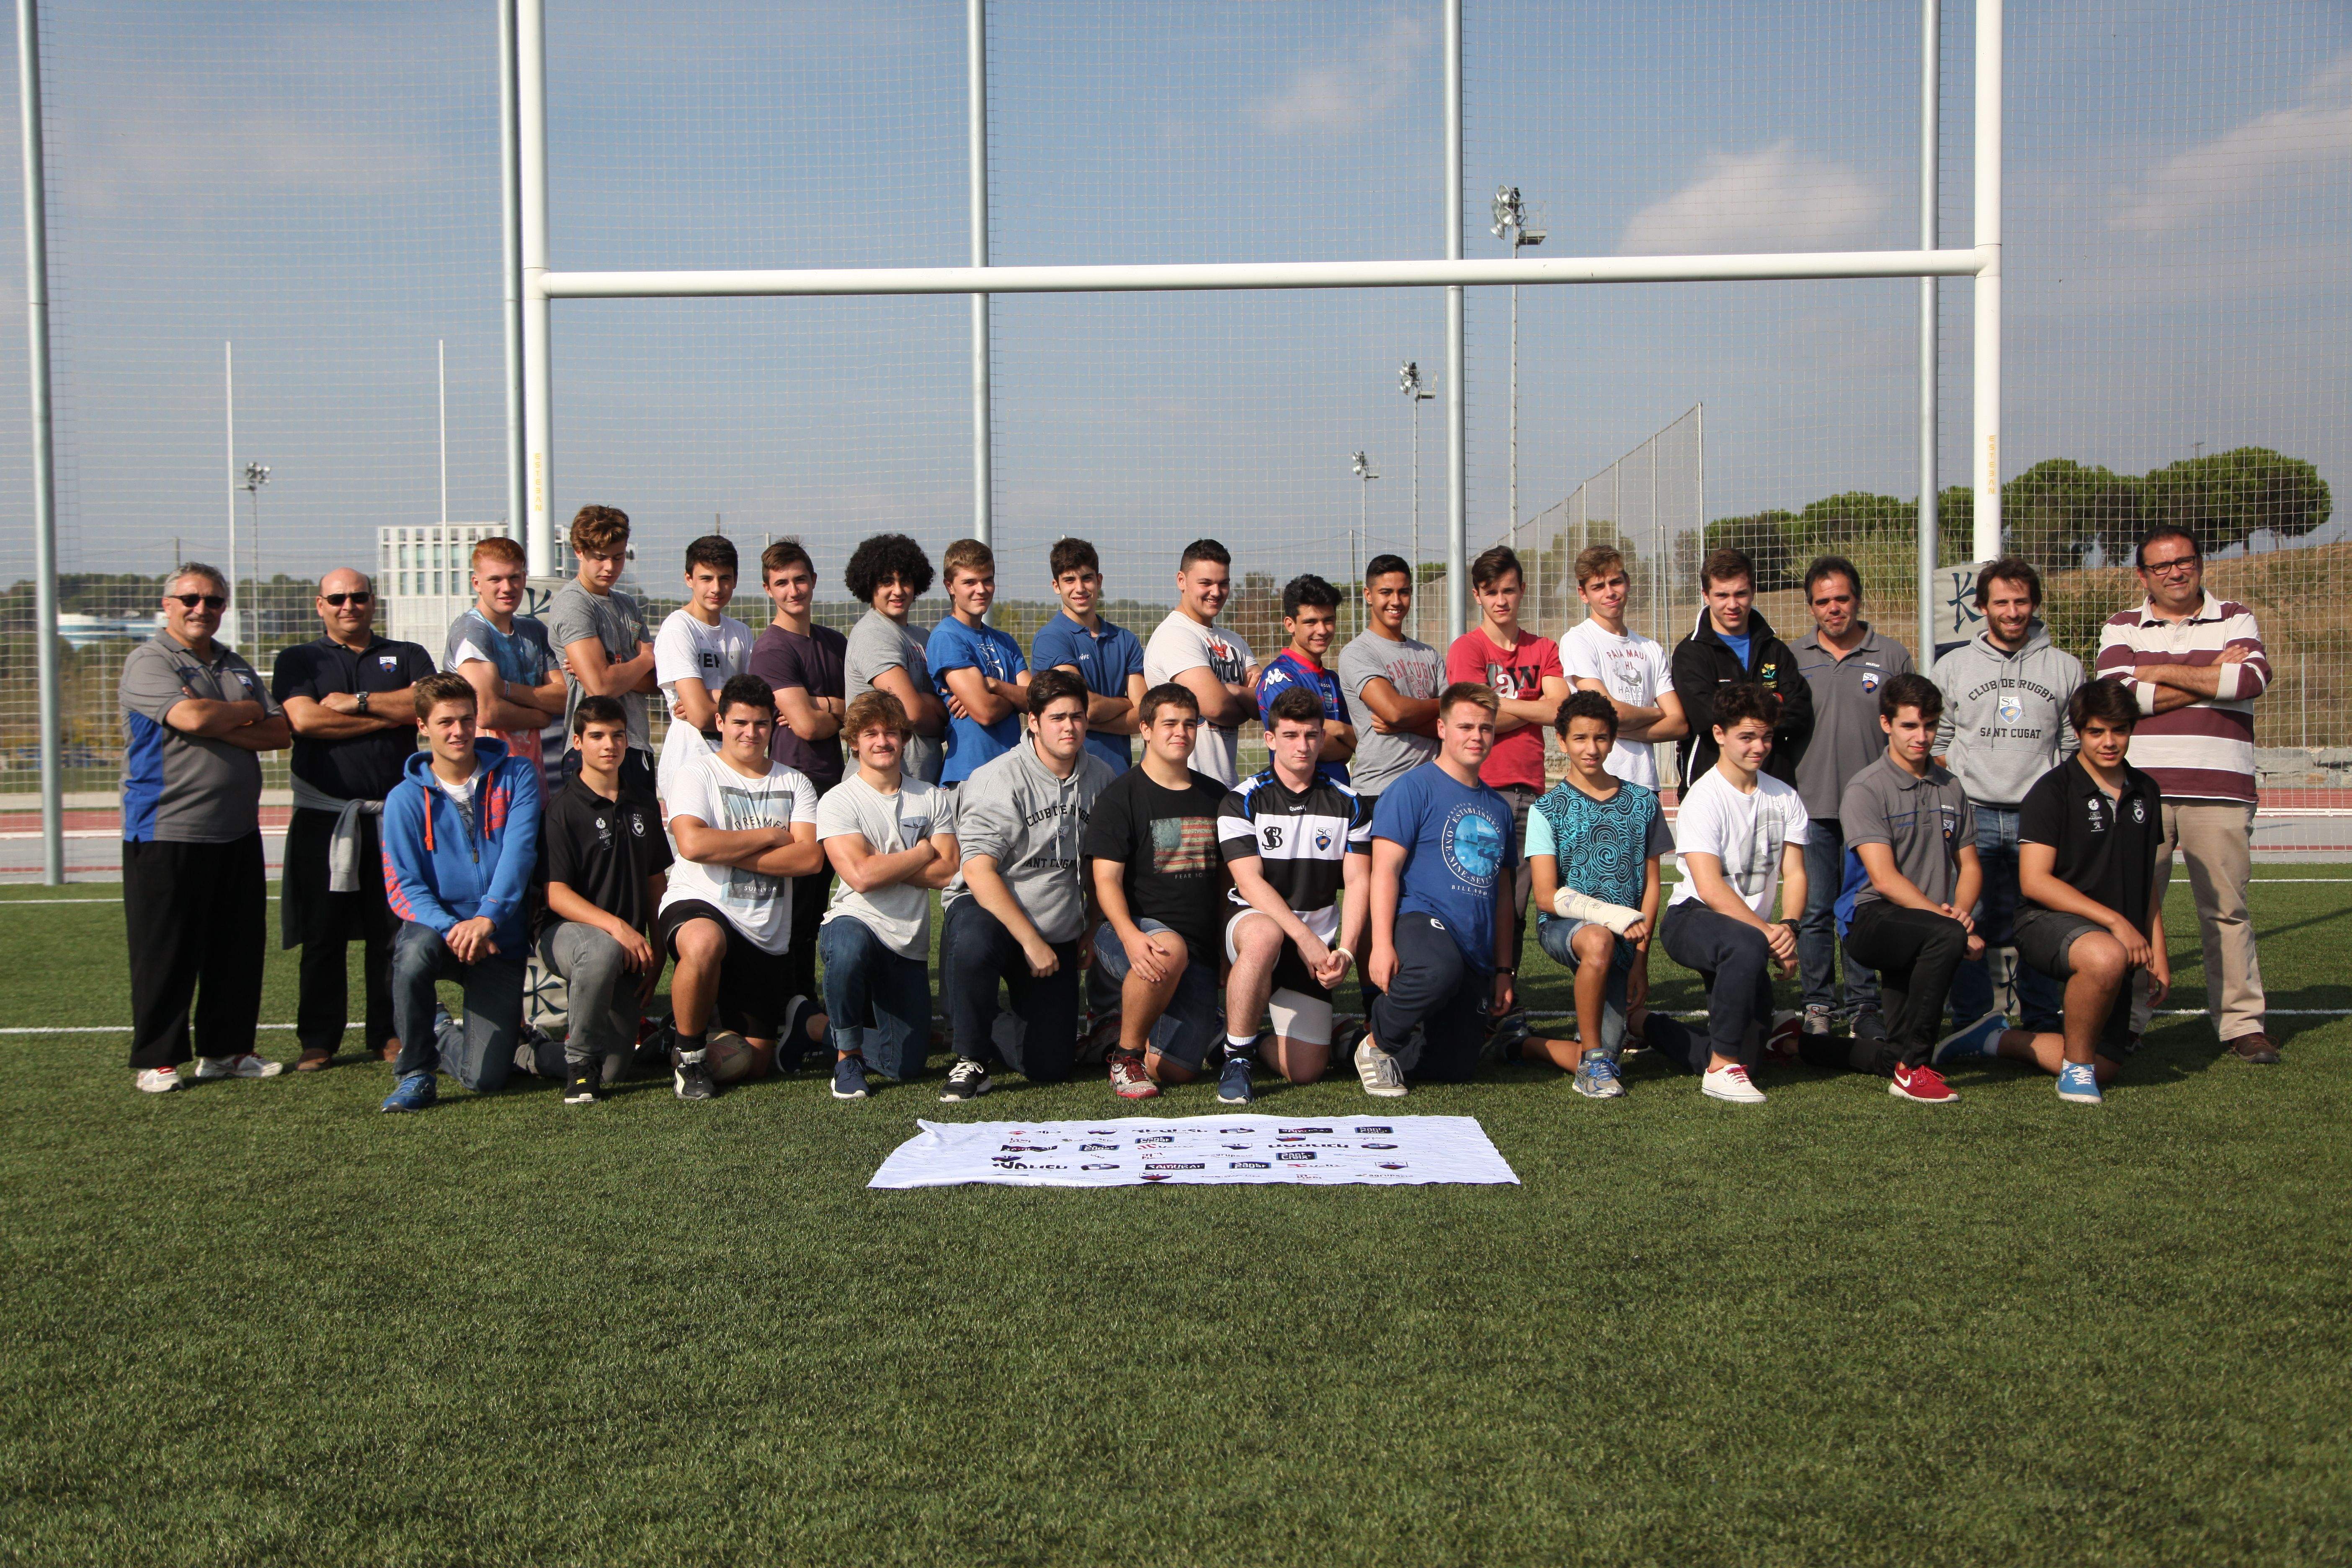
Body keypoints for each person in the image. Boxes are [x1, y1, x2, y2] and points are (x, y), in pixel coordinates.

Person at [1935, 678, 2169, 1105]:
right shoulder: (2052, 790)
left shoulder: (2146, 791)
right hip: (2044, 923)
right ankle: (2075, 1072)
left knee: (2108, 1065)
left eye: (2119, 730)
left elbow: (2145, 881)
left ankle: (1994, 1039)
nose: (2109, 742)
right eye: (2096, 731)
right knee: (2105, 956)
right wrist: (2117, 922)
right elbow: (2035, 882)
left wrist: (2159, 953)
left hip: (2113, 936)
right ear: (2078, 732)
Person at [2096, 525, 2277, 1064]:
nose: (2175, 573)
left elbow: (2249, 682)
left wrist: (2155, 673)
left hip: (2219, 788)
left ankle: (2242, 1025)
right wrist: (2209, 672)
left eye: (2185, 561)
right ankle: (2126, 1023)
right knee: (2129, 910)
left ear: (2199, 563)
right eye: (2162, 566)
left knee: (2226, 911)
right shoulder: (2121, 625)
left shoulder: (2236, 617)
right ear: (2142, 576)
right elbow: (2118, 696)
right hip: (2138, 792)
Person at [120, 564, 291, 1092]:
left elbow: (279, 732)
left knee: (236, 950)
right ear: (167, 604)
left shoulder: (234, 663)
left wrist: (222, 718)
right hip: (166, 830)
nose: (202, 609)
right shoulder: (149, 661)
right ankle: (159, 1059)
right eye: (191, 599)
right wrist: (243, 713)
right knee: (166, 952)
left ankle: (226, 1051)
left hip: (236, 830)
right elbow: (192, 719)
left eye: (214, 601)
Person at [273, 567, 434, 1071]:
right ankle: (319, 1039)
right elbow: (304, 720)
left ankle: (389, 1032)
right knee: (323, 933)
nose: (349, 605)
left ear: (372, 602)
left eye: (359, 596)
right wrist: (387, 716)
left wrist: (356, 704)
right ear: (320, 605)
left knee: (393, 931)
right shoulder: (299, 659)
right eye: (338, 598)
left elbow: (425, 704)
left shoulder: (407, 654)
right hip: (325, 818)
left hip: (395, 818)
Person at [936, 670, 1115, 1099]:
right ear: (1032, 721)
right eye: (1057, 718)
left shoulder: (1102, 777)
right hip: (992, 915)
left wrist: (1091, 927)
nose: (1069, 727)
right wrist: (1030, 941)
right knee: (974, 938)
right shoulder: (998, 778)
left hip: (1055, 930)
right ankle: (970, 1057)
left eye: (1077, 716)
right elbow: (978, 870)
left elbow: (1100, 866)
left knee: (1050, 1066)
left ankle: (978, 1019)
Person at [1816, 673, 1986, 1104]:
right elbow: (1884, 880)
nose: (1922, 737)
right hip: (1870, 919)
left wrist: (1961, 912)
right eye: (1910, 726)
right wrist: (1950, 925)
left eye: (1929, 726)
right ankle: (1914, 1071)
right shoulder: (1866, 788)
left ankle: (1802, 1047)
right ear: (1886, 724)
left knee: (1892, 1049)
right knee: (1944, 937)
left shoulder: (1952, 786)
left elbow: (1969, 866)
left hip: (1927, 921)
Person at [379, 673, 543, 1112]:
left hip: (498, 936)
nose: (459, 731)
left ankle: (437, 1032)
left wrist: (488, 919)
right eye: (446, 722)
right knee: (413, 955)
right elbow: (403, 886)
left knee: (485, 1079)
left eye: (467, 720)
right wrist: (455, 929)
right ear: (422, 726)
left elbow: (519, 856)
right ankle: (415, 1072)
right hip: (440, 931)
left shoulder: (517, 774)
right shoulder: (404, 799)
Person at [658, 675, 826, 1101]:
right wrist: (770, 836)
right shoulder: (696, 773)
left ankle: (672, 1038)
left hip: (763, 933)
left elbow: (809, 859)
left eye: (761, 724)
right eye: (740, 723)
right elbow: (693, 845)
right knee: (704, 942)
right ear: (720, 722)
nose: (751, 733)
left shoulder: (796, 783)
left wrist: (725, 849)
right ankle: (690, 1056)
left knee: (751, 1063)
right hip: (701, 904)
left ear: (773, 725)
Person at [1931, 556, 2080, 1037]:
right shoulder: (1952, 667)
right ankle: (1974, 1021)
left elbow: (2072, 744)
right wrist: (1961, 789)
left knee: (2039, 920)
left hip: (2038, 819)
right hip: (1972, 814)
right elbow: (1937, 742)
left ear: (2034, 605)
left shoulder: (2065, 668)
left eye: (2021, 601)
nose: (2012, 612)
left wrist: (2052, 799)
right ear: (1982, 607)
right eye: (2001, 602)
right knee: (1966, 917)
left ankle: (2041, 1018)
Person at [1356, 684, 1518, 1096]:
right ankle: (1375, 1043)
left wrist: (1503, 971)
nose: (1477, 737)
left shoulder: (1499, 808)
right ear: (1442, 729)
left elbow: (1503, 896)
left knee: (1453, 1067)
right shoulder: (1412, 788)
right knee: (1436, 968)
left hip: (1473, 944)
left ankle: (1353, 1047)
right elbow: (1385, 870)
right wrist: (1381, 945)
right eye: (1466, 727)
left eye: (1485, 728)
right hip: (1421, 920)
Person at [1520, 692, 1682, 1099]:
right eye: (1580, 738)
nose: (1591, 749)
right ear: (1562, 741)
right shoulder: (1546, 809)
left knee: (1614, 1056)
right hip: (1566, 928)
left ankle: (1524, 1044)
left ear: (1613, 740)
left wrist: (1641, 961)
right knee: (1597, 939)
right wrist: (1609, 917)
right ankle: (1590, 1063)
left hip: (1625, 942)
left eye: (1601, 738)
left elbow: (1650, 888)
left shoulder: (1643, 803)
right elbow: (1546, 897)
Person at [1657, 683, 1809, 1105]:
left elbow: (1795, 873)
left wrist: (1789, 928)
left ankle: (1649, 1026)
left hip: (1750, 932)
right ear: (1719, 734)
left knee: (1754, 1057)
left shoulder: (1786, 797)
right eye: (1747, 736)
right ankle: (1721, 1068)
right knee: (1745, 943)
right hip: (1692, 918)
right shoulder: (1704, 798)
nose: (1759, 747)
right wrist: (1768, 933)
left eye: (1766, 736)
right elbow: (1709, 886)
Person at [1218, 685, 1372, 1101]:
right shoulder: (1242, 801)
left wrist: (1347, 952)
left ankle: (1230, 1039)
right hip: (1255, 929)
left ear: (1322, 738)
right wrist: (1304, 940)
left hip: (1315, 946)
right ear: (1271, 739)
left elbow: (1359, 882)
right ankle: (1237, 1058)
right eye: (1290, 735)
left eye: (1310, 735)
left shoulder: (1350, 804)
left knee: (1305, 1070)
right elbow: (1249, 883)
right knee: (1265, 934)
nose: (1301, 746)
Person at [1084, 683, 1229, 1100]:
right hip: (1131, 932)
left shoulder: (1216, 796)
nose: (1181, 732)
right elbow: (1105, 880)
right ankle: (1125, 1056)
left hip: (1199, 947)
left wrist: (1224, 948)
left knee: (1176, 1071)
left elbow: (1226, 880)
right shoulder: (1121, 797)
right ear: (1145, 729)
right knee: (1168, 950)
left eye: (1189, 724)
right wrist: (1129, 935)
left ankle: (1176, 1024)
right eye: (1169, 724)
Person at [1790, 555, 1913, 1040]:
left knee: (1864, 911)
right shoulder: (1793, 657)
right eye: (1823, 602)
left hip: (1872, 812)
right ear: (1811, 607)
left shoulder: (1892, 656)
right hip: (1812, 806)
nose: (1834, 608)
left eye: (1842, 599)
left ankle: (1864, 1005)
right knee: (1816, 911)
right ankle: (1818, 1004)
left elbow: (1908, 730)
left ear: (1858, 600)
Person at [1444, 545, 1565, 1037]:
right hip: (1478, 791)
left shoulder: (1544, 648)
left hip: (1530, 794)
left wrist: (1502, 707)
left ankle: (1503, 1002)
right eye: (1491, 592)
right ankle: (1466, 1000)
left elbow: (1560, 709)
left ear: (1522, 591)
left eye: (1509, 590)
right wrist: (1529, 706)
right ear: (1477, 595)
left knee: (1513, 909)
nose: (1501, 600)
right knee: (1471, 900)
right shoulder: (1467, 649)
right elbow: (1474, 714)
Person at [817, 691, 960, 1101]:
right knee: (847, 949)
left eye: (891, 732)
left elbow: (949, 870)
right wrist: (922, 851)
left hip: (907, 942)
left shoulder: (931, 797)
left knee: (905, 1067)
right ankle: (847, 1057)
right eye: (871, 734)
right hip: (856, 921)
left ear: (905, 738)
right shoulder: (838, 800)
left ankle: (812, 1028)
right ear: (854, 742)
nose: (882, 741)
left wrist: (884, 864)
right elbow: (861, 877)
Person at [536, 695, 672, 1104]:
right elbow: (555, 893)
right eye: (597, 736)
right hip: (566, 935)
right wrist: (618, 928)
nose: (609, 745)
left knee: (613, 1069)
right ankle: (580, 1067)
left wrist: (659, 954)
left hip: (625, 947)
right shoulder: (562, 809)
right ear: (578, 743)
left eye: (617, 735)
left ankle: (529, 1053)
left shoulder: (643, 804)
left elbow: (656, 884)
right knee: (601, 949)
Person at [748, 537, 849, 1016]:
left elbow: (860, 712)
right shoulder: (770, 649)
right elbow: (806, 728)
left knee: (829, 899)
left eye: (800, 580)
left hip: (839, 783)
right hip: (796, 787)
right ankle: (792, 1005)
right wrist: (831, 711)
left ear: (814, 581)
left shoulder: (835, 643)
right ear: (768, 589)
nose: (794, 591)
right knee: (797, 905)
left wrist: (821, 704)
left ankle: (818, 1001)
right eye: (782, 583)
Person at [1671, 546, 1814, 788]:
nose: (1733, 605)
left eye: (1741, 594)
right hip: (1713, 786)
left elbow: (1799, 712)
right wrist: (1771, 704)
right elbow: (1706, 717)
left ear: (1753, 591)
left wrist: (1736, 713)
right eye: (1722, 596)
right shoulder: (1690, 654)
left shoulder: (1775, 649)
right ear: (1706, 595)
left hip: (1774, 785)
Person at [546, 504, 658, 790]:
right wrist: (645, 659)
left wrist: (612, 670)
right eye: (600, 557)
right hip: (592, 750)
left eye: (618, 557)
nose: (610, 567)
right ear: (579, 552)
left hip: (635, 743)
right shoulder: (574, 603)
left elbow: (656, 681)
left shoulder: (627, 604)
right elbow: (601, 687)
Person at [1560, 544, 1686, 789]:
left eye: (1615, 582)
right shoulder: (1578, 640)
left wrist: (1622, 730)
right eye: (1598, 587)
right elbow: (1610, 712)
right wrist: (1659, 713)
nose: (1610, 593)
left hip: (1646, 786)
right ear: (1583, 594)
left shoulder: (1651, 648)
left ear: (1627, 583)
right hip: (1599, 786)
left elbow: (1680, 724)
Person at [444, 535, 565, 788]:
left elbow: (564, 697)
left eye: (514, 578)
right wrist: (541, 717)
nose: (507, 588)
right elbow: (486, 713)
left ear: (524, 578)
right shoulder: (472, 631)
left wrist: (507, 689)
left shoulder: (534, 631)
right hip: (484, 782)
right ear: (477, 583)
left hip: (530, 777)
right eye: (495, 579)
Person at [1143, 538, 1257, 787]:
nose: (1216, 592)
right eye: (1205, 583)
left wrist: (1233, 691)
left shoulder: (1235, 641)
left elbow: (1266, 703)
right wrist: (1243, 702)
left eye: (1223, 583)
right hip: (1178, 786)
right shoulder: (1175, 635)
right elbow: (1217, 707)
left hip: (1223, 786)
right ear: (1181, 581)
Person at [652, 534, 756, 803]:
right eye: (707, 578)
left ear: (735, 580)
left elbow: (758, 704)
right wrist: (734, 707)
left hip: (736, 761)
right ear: (689, 579)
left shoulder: (742, 632)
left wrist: (707, 695)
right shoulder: (678, 628)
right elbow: (699, 716)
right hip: (690, 760)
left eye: (724, 578)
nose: (716, 588)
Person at [1029, 536, 1146, 776]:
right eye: (1069, 580)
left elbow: (1144, 716)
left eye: (1087, 578)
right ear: (1056, 586)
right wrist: (1125, 703)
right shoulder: (1050, 639)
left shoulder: (1125, 640)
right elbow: (1087, 707)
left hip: (1119, 775)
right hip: (1071, 778)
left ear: (1099, 580)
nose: (1080, 588)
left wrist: (1088, 718)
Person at [1336, 554, 1443, 812]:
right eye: (1386, 592)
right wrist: (1442, 704)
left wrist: (1403, 724)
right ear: (1369, 595)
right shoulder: (1358, 653)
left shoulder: (1429, 654)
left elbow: (1452, 725)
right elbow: (1394, 710)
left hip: (1434, 791)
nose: (1396, 601)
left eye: (1403, 592)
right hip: (1381, 791)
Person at [842, 532, 948, 786]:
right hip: (881, 786)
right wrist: (943, 716)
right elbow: (911, 713)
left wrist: (927, 704)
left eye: (905, 581)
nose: (898, 591)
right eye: (887, 581)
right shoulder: (873, 633)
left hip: (921, 782)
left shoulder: (922, 636)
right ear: (870, 585)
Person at [927, 538, 1031, 788]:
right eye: (970, 582)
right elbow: (985, 712)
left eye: (988, 580)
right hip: (971, 776)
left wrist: (996, 686)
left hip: (1013, 773)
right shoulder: (947, 637)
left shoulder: (1005, 641)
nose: (981, 590)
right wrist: (1015, 699)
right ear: (950, 586)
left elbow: (1037, 701)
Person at [1254, 573, 1356, 783]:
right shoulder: (1279, 676)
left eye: (1328, 620)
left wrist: (1340, 731)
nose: (1322, 630)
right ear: (1290, 624)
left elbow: (1355, 745)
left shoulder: (1334, 680)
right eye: (1311, 622)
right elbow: (1304, 744)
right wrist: (1342, 734)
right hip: (1299, 797)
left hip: (1338, 795)